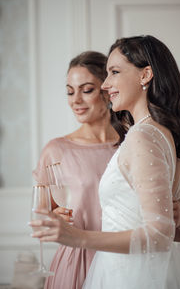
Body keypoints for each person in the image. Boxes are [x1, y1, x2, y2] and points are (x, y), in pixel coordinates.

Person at [31, 40, 180, 289]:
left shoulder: (139, 137)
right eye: (69, 91)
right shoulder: (161, 134)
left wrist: (79, 237)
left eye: (113, 73)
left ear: (145, 75)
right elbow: (177, 231)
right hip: (95, 262)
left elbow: (164, 233)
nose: (106, 85)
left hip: (125, 268)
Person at [32, 51, 118, 289]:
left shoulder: (132, 144)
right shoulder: (56, 149)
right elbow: (43, 213)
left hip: (124, 258)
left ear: (108, 89)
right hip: (77, 260)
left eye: (86, 90)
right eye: (70, 91)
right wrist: (54, 218)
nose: (75, 100)